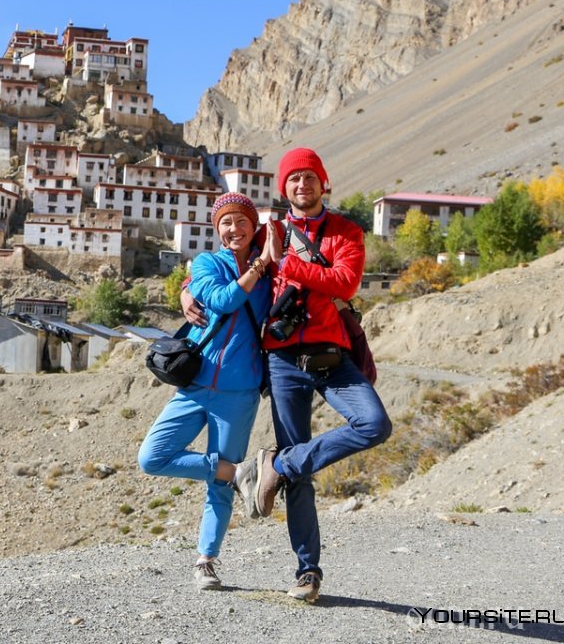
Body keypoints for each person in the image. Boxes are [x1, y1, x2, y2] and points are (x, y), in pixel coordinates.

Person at [183, 148, 392, 603]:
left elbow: (344, 283)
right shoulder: (267, 232)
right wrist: (186, 289)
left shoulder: (346, 231)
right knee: (302, 475)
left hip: (331, 357)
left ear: (323, 183)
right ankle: (307, 572)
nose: (302, 185)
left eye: (310, 178)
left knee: (374, 425)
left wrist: (286, 263)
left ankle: (274, 465)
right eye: (294, 179)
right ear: (284, 188)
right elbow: (228, 257)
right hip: (281, 362)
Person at [137, 193, 273, 591]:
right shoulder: (208, 263)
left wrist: (267, 260)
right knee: (152, 457)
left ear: (254, 225)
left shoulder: (272, 271)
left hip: (240, 391)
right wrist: (187, 287)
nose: (234, 229)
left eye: (241, 221)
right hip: (194, 385)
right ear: (217, 229)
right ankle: (241, 472)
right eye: (226, 223)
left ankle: (206, 562)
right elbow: (222, 299)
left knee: (217, 487)